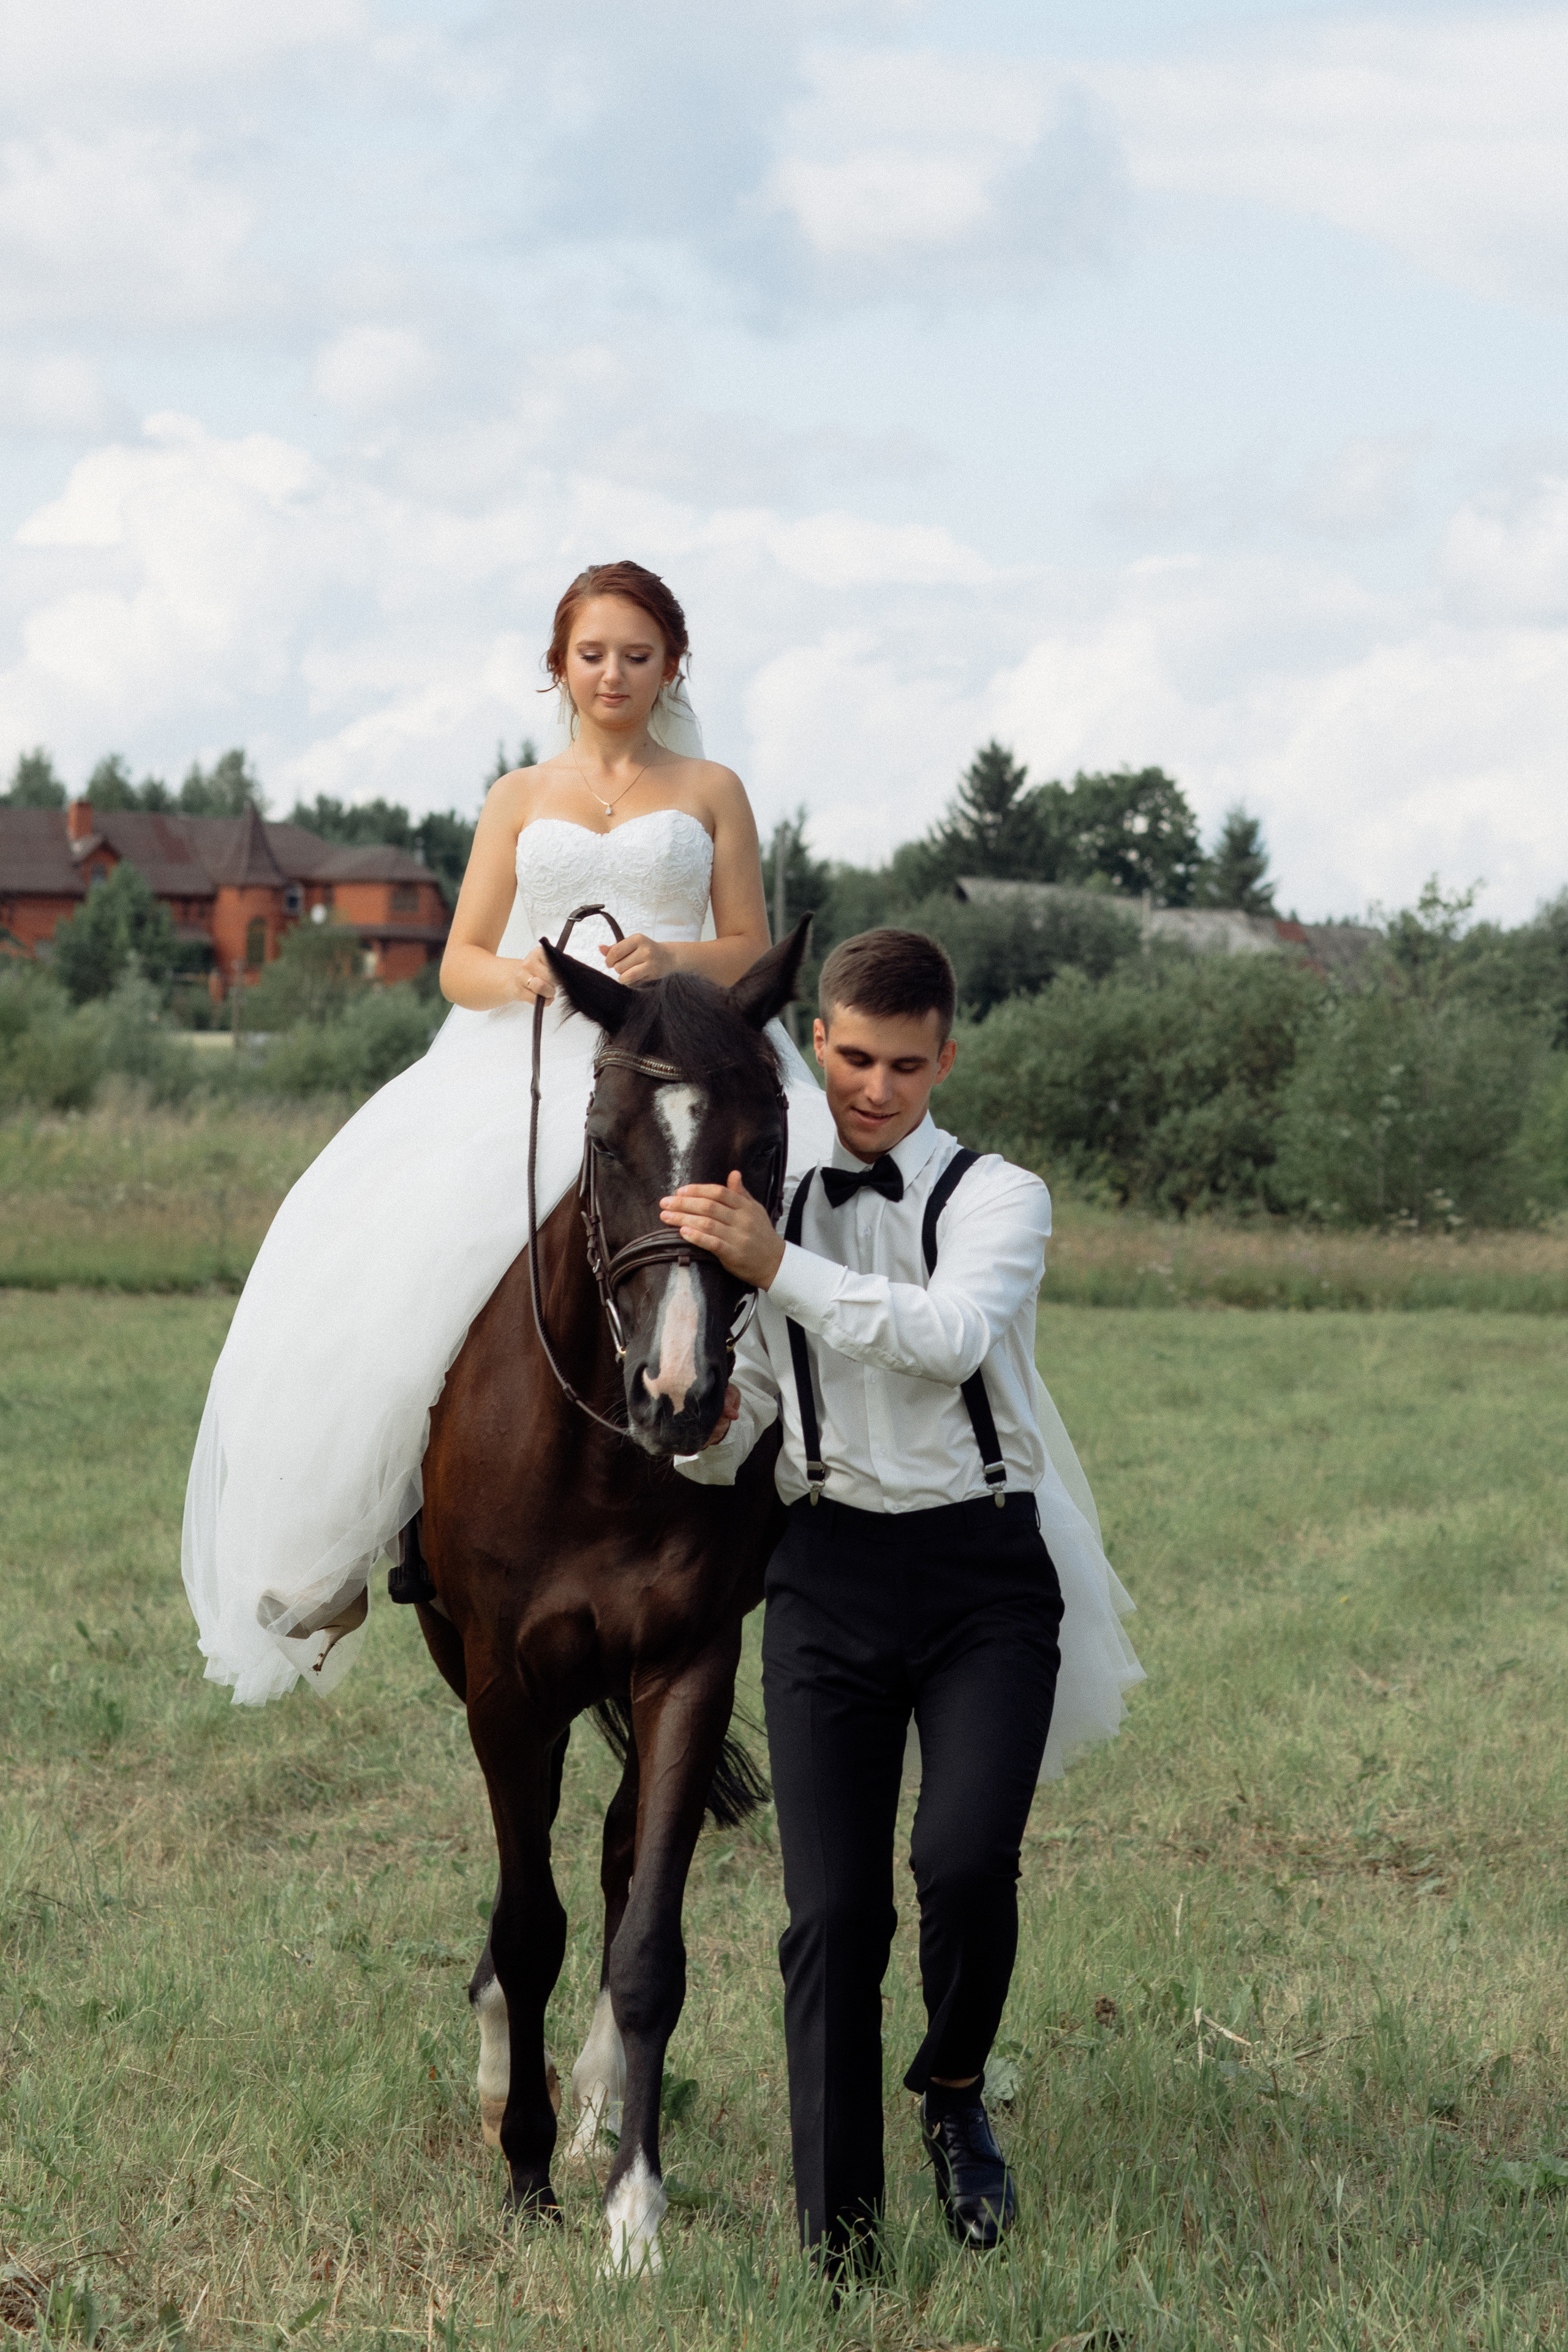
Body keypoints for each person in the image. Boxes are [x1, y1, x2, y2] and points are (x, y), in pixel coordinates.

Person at [181, 559, 836, 1704]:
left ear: (673, 663)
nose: (614, 674)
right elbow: (457, 962)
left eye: (638, 654)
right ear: (559, 667)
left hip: (683, 1053)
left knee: (822, 1215)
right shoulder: (519, 797)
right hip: (532, 1055)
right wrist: (533, 974)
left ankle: (829, 1495)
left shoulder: (717, 787)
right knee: (398, 1261)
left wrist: (670, 961)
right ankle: (352, 1539)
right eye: (592, 654)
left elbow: (751, 942)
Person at [664, 927, 1143, 2272]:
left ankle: (949, 2090)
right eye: (853, 1058)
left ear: (945, 1059)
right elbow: (752, 1395)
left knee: (960, 1864)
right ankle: (840, 2244)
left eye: (905, 1066)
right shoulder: (765, 1190)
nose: (874, 1088)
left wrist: (775, 1268)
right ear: (817, 1041)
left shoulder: (1002, 1197)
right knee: (830, 1916)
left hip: (983, 1573)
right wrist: (696, 1421)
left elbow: (944, 1340)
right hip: (823, 1572)